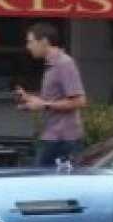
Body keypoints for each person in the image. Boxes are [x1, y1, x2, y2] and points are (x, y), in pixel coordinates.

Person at [15, 22, 88, 167]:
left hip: (64, 140)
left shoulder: (64, 63)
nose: (28, 46)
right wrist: (30, 99)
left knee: (43, 185)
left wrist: (43, 104)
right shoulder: (51, 65)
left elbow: (80, 101)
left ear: (44, 41)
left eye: (30, 42)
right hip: (53, 137)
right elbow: (53, 100)